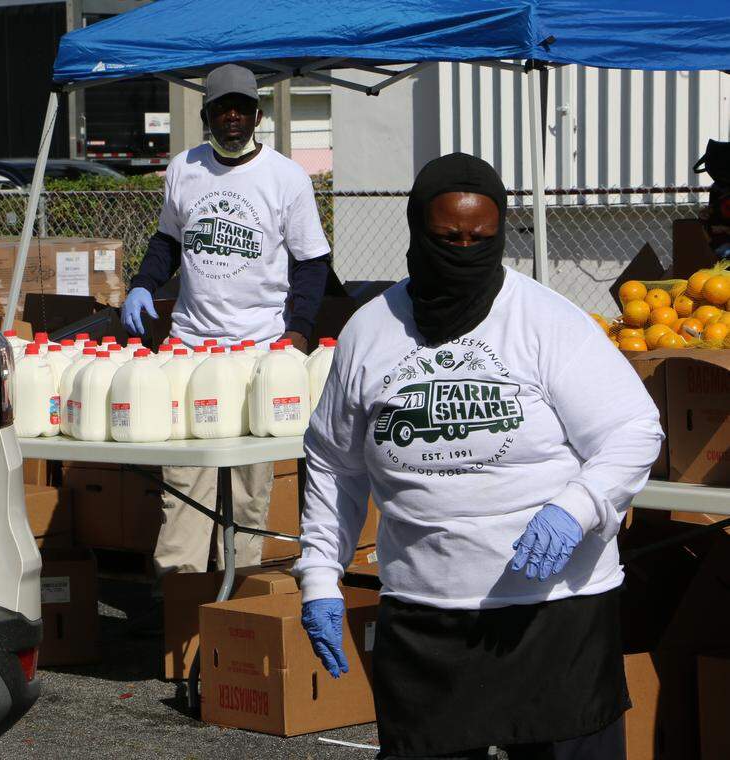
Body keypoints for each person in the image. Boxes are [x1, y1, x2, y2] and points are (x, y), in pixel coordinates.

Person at [294, 153, 663, 759]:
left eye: (481, 239)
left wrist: (578, 506)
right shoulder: (371, 330)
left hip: (553, 617)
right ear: (417, 233)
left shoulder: (548, 321)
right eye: (447, 239)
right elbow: (335, 461)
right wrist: (318, 576)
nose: (464, 251)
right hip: (425, 616)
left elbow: (632, 429)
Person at [122, 64, 331, 579]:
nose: (231, 117)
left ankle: (239, 606)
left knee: (247, 493)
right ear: (205, 116)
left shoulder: (286, 178)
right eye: (221, 109)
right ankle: (181, 603)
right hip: (189, 351)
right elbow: (168, 239)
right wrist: (143, 282)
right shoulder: (184, 169)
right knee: (183, 488)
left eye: (241, 108)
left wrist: (296, 335)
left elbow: (311, 263)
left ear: (258, 115)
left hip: (259, 355)